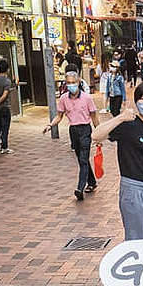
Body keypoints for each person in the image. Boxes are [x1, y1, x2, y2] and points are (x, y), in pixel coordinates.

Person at [93, 82, 143, 286]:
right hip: (133, 188)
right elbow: (97, 135)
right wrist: (120, 118)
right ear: (136, 101)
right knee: (135, 239)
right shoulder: (128, 125)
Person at [44, 70, 99, 200]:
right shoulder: (63, 98)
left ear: (78, 82)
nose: (71, 85)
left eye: (73, 82)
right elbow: (59, 116)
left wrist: (99, 134)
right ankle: (92, 182)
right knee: (81, 159)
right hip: (73, 131)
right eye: (68, 83)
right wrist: (50, 125)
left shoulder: (87, 98)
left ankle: (80, 188)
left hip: (85, 130)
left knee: (83, 159)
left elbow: (94, 117)